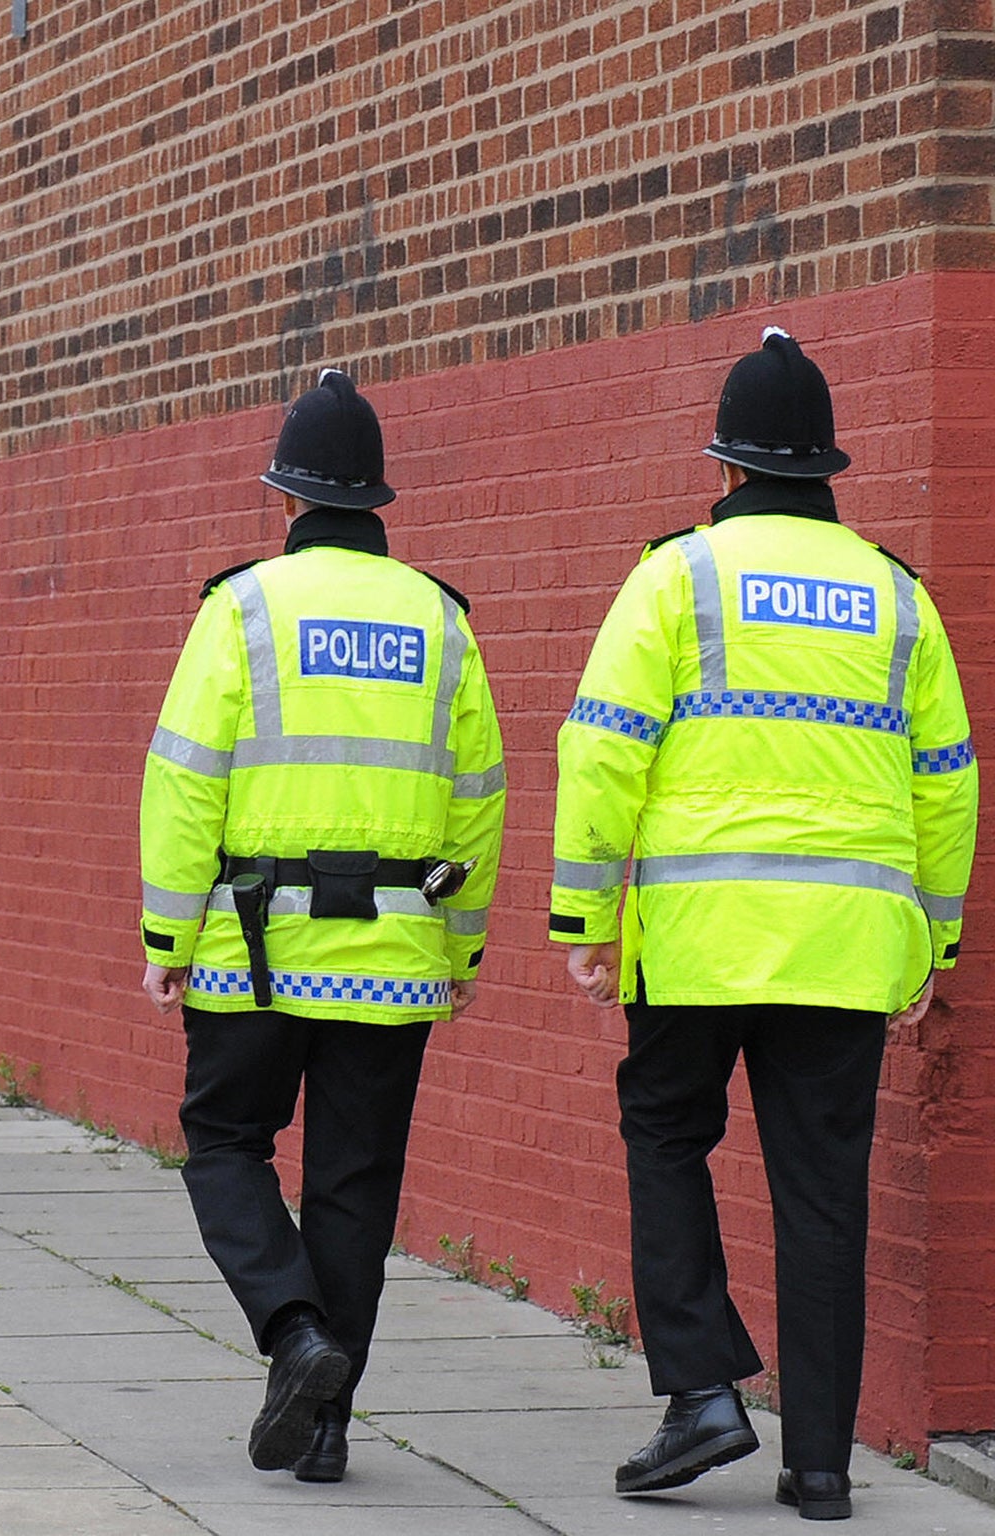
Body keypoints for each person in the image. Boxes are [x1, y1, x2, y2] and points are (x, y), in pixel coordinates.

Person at [551, 328, 978, 1522]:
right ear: (825, 473)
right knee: (823, 1193)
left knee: (664, 1133)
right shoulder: (897, 597)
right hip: (845, 950)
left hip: (695, 937)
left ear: (727, 470)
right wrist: (929, 943)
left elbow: (600, 750)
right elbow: (945, 780)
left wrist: (585, 913)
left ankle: (699, 1392)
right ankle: (823, 1469)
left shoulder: (676, 576)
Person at [139, 370, 506, 1483]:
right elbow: (477, 795)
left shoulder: (242, 607)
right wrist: (461, 950)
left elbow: (183, 781)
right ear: (376, 503)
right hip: (392, 957)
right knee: (353, 1184)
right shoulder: (440, 619)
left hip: (252, 951)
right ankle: (329, 1427)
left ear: (285, 500)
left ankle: (293, 1335)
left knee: (223, 1143)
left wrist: (166, 936)